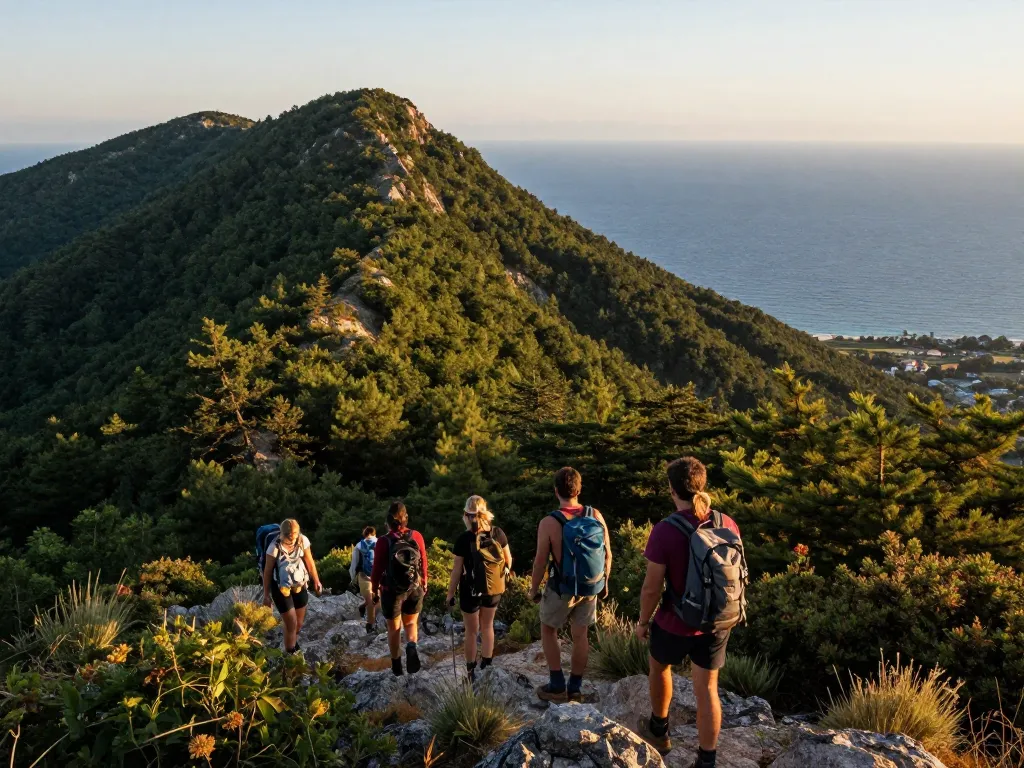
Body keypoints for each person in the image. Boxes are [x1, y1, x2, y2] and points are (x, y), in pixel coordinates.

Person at [635, 457, 743, 766]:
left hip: (676, 620)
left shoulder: (666, 530)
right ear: (702, 485)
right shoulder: (727, 523)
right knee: (708, 687)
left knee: (659, 666)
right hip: (717, 620)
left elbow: (652, 588)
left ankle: (659, 729)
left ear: (671, 489)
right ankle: (707, 759)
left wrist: (643, 622)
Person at [528, 466, 612, 702]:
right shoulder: (595, 515)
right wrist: (604, 582)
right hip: (590, 586)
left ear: (556, 491)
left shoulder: (550, 522)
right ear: (579, 488)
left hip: (562, 587)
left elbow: (540, 562)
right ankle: (574, 687)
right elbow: (607, 553)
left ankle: (556, 684)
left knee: (548, 629)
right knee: (580, 634)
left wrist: (533, 590)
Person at [446, 495, 512, 681]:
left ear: (466, 515)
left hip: (470, 590)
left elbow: (457, 570)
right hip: (493, 588)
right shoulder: (498, 533)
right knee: (488, 626)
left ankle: (470, 671)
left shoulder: (463, 539)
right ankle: (487, 665)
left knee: (471, 631)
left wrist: (450, 594)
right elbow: (508, 560)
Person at [371, 501, 429, 677]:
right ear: (406, 518)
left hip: (391, 590)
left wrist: (374, 589)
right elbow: (423, 561)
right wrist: (424, 581)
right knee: (411, 623)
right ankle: (411, 645)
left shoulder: (383, 541)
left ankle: (397, 666)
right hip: (414, 586)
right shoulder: (416, 536)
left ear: (387, 521)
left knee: (394, 629)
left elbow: (377, 569)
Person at [261, 518, 323, 654]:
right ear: (283, 535)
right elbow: (267, 572)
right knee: (291, 623)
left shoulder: (302, 540)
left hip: (299, 582)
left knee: (298, 624)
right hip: (280, 587)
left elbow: (309, 561)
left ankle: (293, 642)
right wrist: (266, 595)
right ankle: (291, 653)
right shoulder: (274, 547)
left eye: (295, 536)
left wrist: (316, 581)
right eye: (290, 538)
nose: (292, 540)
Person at [349, 526, 378, 633]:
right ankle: (372, 623)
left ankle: (370, 625)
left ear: (364, 534)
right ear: (374, 534)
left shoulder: (359, 545)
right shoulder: (380, 542)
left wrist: (353, 579)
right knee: (377, 599)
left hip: (363, 576)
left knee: (370, 600)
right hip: (379, 576)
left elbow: (354, 565)